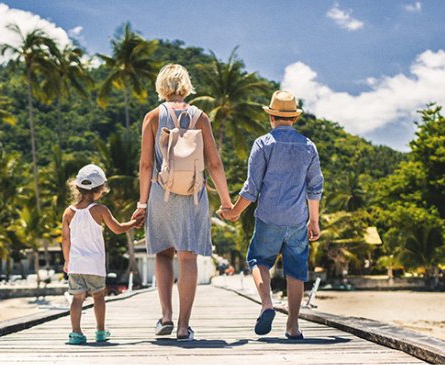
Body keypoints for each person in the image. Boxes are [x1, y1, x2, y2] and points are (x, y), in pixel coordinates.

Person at [131, 64, 233, 341]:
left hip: (160, 193)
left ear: (161, 86)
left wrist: (142, 204)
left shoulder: (152, 117)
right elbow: (214, 163)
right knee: (188, 257)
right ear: (186, 86)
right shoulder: (200, 117)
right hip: (193, 193)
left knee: (164, 253)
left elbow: (145, 164)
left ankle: (166, 316)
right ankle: (183, 326)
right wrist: (226, 202)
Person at [218, 90, 323, 340]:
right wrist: (314, 220)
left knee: (258, 261)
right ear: (294, 119)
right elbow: (315, 186)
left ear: (271, 117)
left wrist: (233, 211)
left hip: (268, 217)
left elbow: (252, 187)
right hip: (297, 220)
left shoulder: (263, 143)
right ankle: (293, 326)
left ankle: (266, 304)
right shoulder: (308, 146)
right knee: (295, 270)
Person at [62, 164, 143, 344]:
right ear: (99, 190)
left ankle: (76, 333)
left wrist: (67, 261)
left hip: (75, 265)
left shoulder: (68, 211)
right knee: (98, 296)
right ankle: (100, 331)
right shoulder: (100, 210)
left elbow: (65, 239)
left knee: (77, 298)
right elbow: (118, 229)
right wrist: (133, 222)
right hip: (94, 265)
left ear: (77, 187)